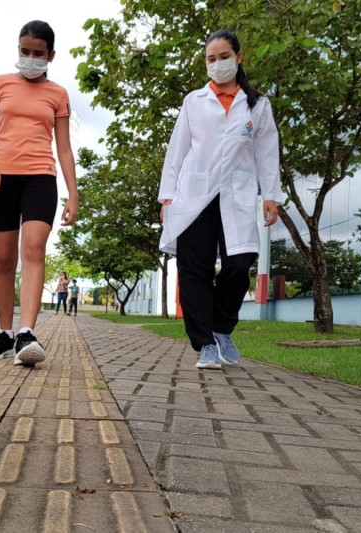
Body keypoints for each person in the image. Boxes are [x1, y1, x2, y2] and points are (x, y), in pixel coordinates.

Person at [158, 29, 282, 370]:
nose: (217, 65)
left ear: (238, 57)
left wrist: (271, 195)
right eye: (211, 60)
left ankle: (221, 328)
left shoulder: (257, 105)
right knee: (193, 269)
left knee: (239, 264)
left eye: (224, 57)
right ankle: (205, 344)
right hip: (194, 194)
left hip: (237, 193)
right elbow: (177, 151)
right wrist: (167, 196)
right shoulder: (193, 101)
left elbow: (267, 153)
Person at [0, 20, 78, 366]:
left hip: (41, 179)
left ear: (51, 55)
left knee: (33, 250)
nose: (30, 58)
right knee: (4, 260)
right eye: (24, 51)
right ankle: (5, 333)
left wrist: (73, 194)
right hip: (1, 178)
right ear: (17, 48)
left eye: (38, 53)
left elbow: (63, 149)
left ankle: (26, 334)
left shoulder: (58, 94)